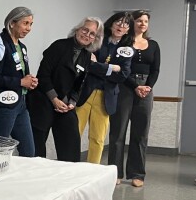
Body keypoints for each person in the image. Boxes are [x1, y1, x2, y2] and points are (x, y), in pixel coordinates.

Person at [29, 18, 102, 162]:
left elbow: (79, 85)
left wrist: (72, 103)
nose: (87, 35)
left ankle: (69, 178)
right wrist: (54, 99)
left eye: (92, 34)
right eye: (85, 30)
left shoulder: (87, 56)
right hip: (44, 100)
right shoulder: (59, 46)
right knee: (36, 150)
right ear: (77, 30)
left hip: (65, 105)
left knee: (71, 144)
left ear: (95, 39)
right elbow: (43, 75)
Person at [108, 10, 160, 187]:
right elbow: (120, 67)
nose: (142, 24)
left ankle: (137, 174)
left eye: (145, 21)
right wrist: (134, 86)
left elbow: (155, 70)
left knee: (141, 133)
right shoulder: (123, 42)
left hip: (145, 90)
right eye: (139, 20)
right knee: (118, 132)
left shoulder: (153, 45)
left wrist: (147, 86)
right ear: (132, 23)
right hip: (124, 87)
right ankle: (115, 172)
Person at [77, 12, 133, 165]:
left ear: (128, 29)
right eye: (118, 22)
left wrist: (101, 67)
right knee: (74, 133)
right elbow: (89, 64)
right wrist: (112, 68)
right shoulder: (98, 40)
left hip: (106, 97)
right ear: (111, 24)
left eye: (125, 24)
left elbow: (122, 75)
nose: (121, 26)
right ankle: (70, 168)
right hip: (85, 92)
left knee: (97, 138)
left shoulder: (127, 50)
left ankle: (92, 171)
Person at [0, 7, 37, 156]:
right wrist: (20, 82)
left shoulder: (22, 47)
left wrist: (31, 81)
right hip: (5, 104)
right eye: (25, 23)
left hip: (21, 104)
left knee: (29, 151)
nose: (28, 28)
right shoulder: (0, 44)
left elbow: (22, 75)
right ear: (12, 23)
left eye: (31, 24)